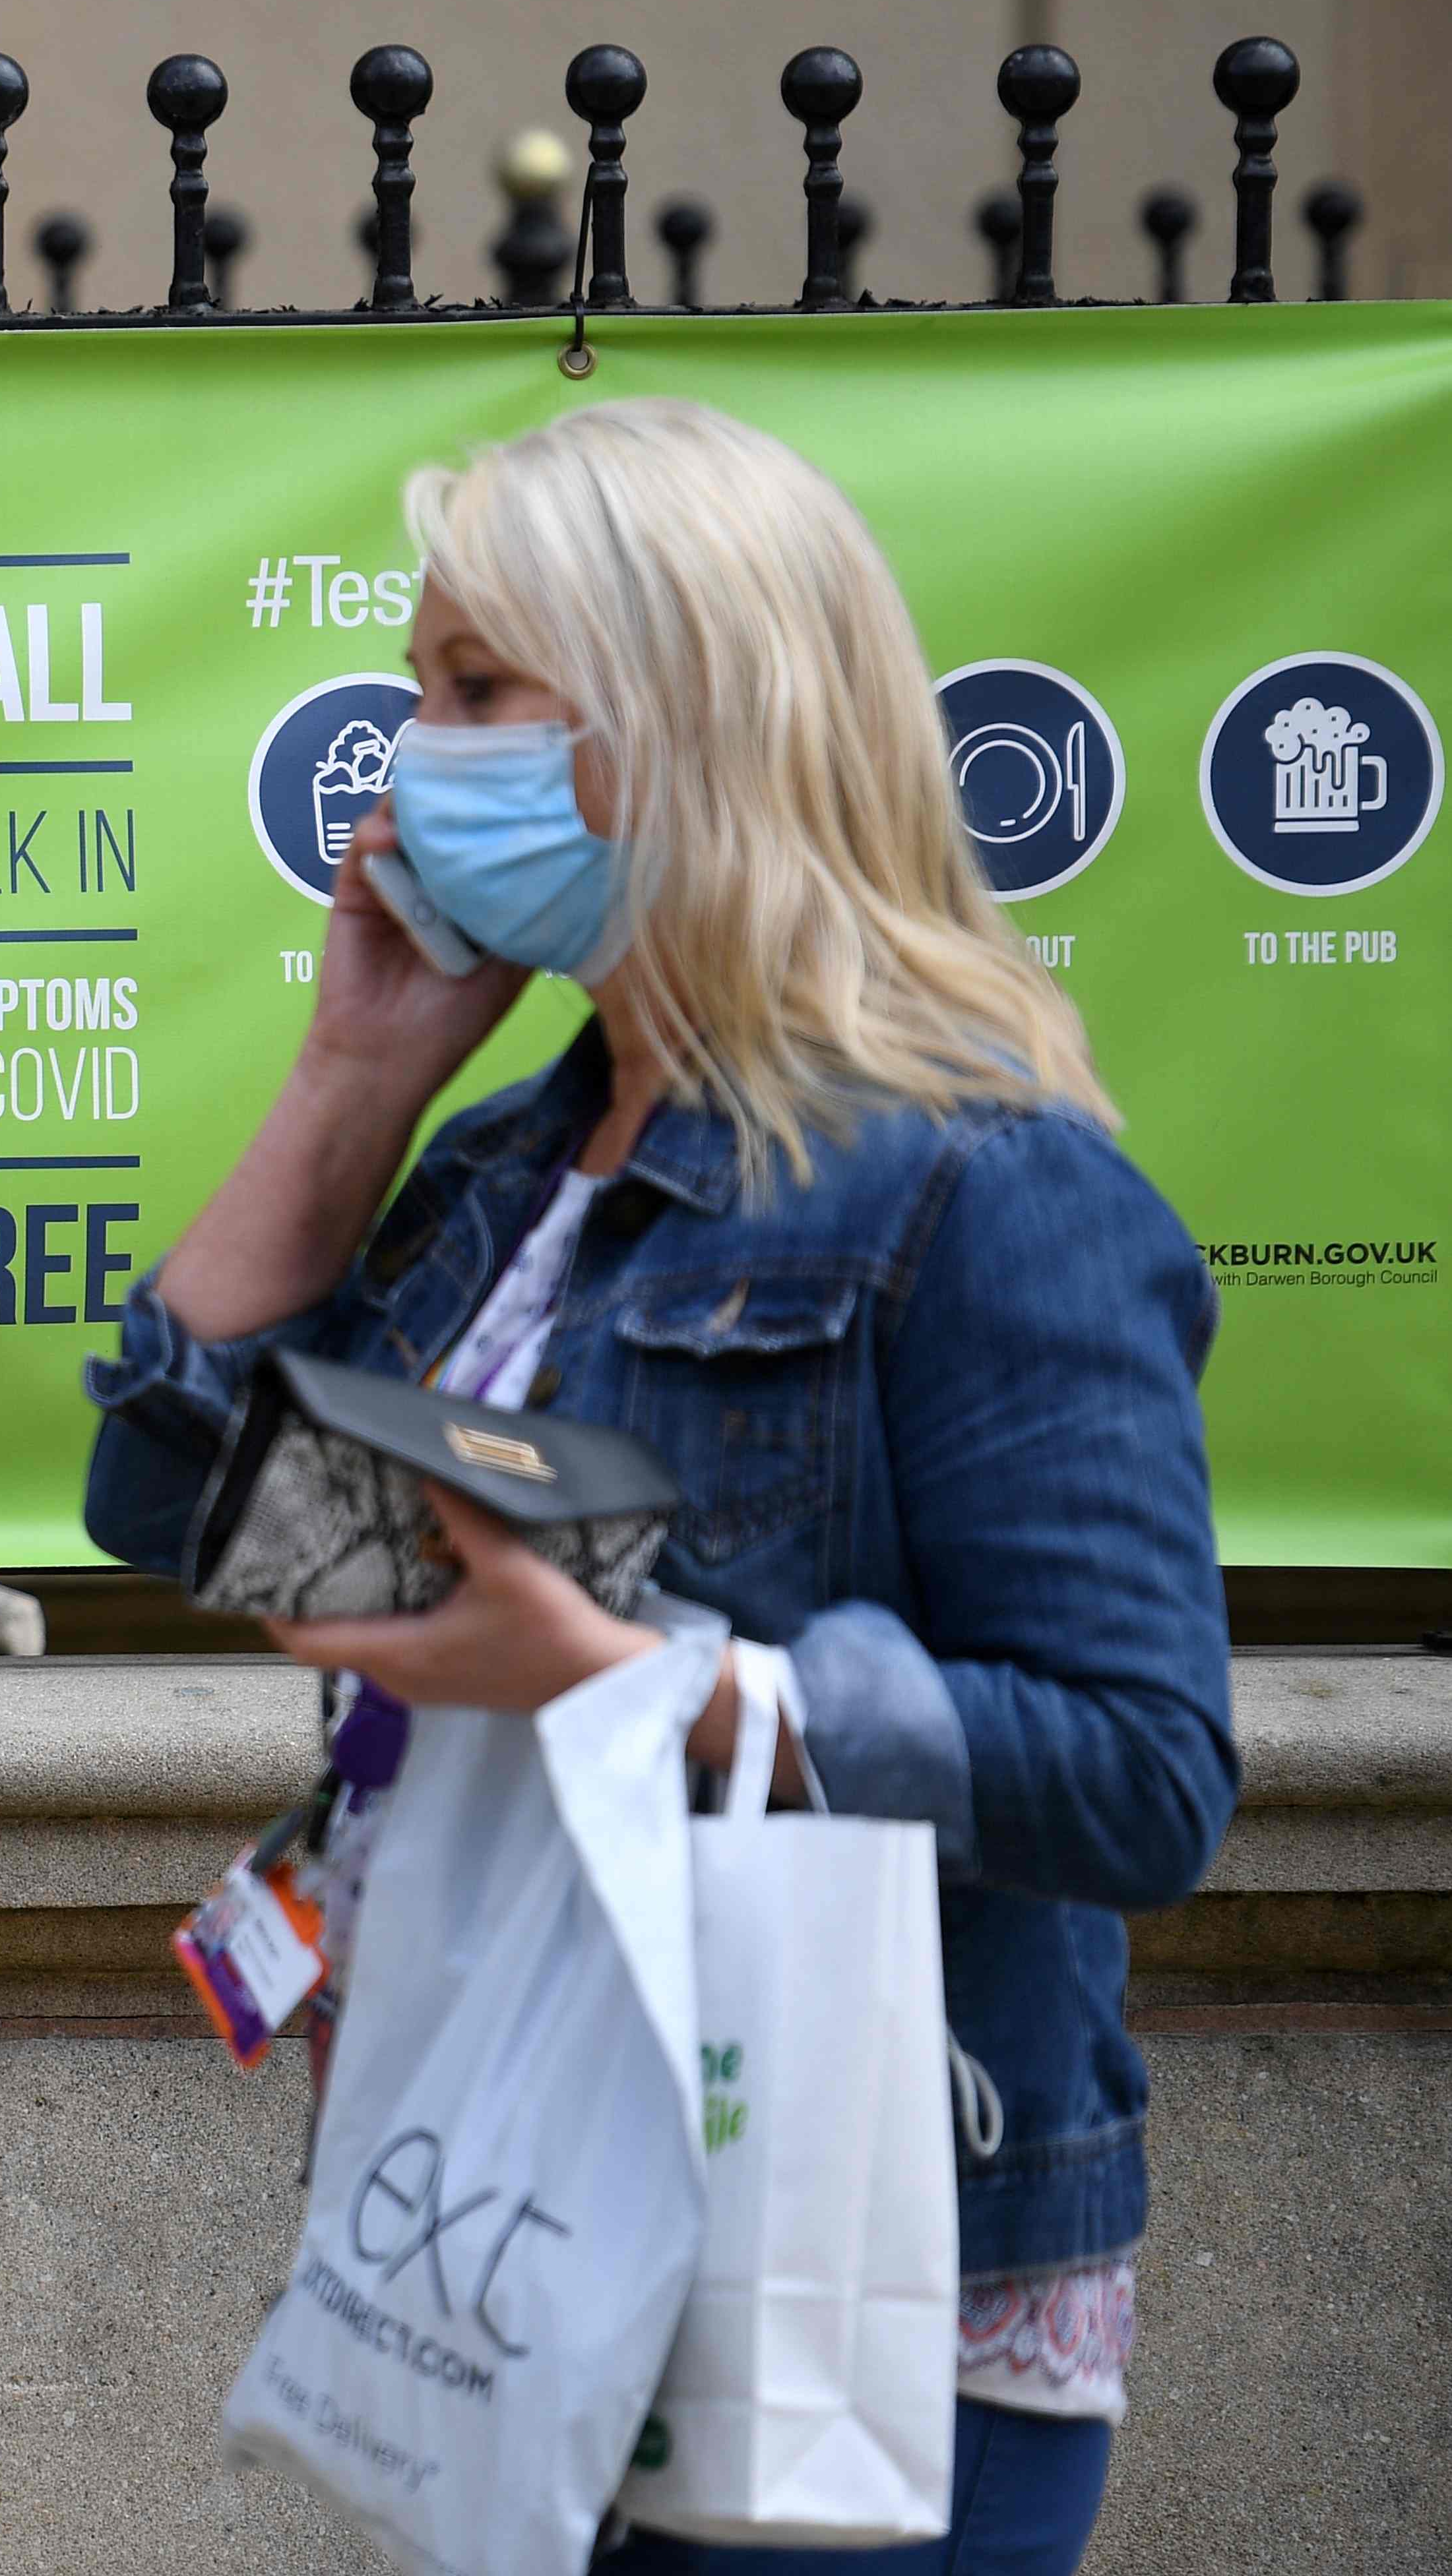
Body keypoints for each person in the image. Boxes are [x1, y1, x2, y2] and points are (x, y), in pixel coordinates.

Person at [81, 398, 1236, 2573]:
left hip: (859, 2285)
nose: (412, 754)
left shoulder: (986, 1183)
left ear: (691, 724)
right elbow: (180, 1509)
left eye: (481, 692)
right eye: (424, 686)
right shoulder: (521, 1164)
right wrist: (356, 1071)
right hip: (528, 2230)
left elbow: (1148, 1770)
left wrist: (651, 1686)